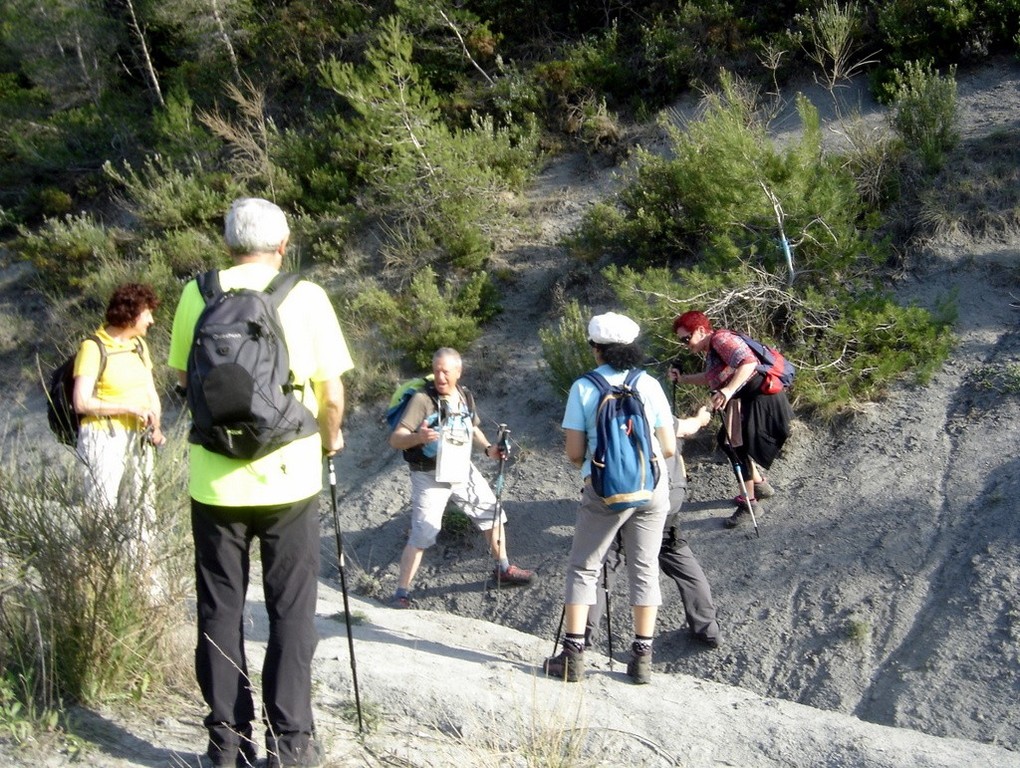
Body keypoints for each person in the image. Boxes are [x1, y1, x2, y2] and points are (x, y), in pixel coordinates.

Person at [168, 198, 352, 768]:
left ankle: (226, 746)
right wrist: (329, 438)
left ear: (227, 243)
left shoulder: (196, 293)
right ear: (283, 241)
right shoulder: (305, 295)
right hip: (289, 480)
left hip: (214, 483)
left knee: (219, 609)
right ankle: (291, 745)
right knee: (291, 611)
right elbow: (333, 394)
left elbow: (181, 376)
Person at [544, 312, 677, 685]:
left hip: (604, 489)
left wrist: (597, 462)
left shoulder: (584, 387)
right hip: (652, 488)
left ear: (596, 349)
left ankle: (572, 655)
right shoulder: (648, 385)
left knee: (584, 567)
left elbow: (573, 453)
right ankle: (642, 658)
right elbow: (667, 447)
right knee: (644, 567)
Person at [387, 347, 535, 608]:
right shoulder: (422, 400)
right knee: (423, 532)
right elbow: (396, 439)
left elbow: (473, 427)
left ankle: (503, 567)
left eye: (445, 371)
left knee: (493, 515)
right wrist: (417, 438)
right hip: (429, 475)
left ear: (458, 371)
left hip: (461, 469)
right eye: (436, 371)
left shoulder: (465, 395)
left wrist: (489, 449)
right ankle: (401, 592)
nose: (440, 377)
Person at [586, 404, 722, 649]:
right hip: (670, 498)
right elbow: (689, 427)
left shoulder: (612, 420)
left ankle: (583, 636)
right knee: (676, 554)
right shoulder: (663, 417)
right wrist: (702, 418)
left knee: (607, 564)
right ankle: (708, 628)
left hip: (632, 497)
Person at [73, 282, 166, 582]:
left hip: (139, 440)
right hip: (103, 438)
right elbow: (81, 402)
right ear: (130, 314)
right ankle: (97, 582)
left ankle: (143, 583)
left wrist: (157, 427)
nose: (151, 320)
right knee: (101, 511)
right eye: (147, 313)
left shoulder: (139, 346)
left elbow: (150, 392)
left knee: (142, 513)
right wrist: (128, 408)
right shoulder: (93, 347)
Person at [670, 311, 793, 529]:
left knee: (734, 445)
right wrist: (683, 380)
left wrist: (727, 391)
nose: (684, 344)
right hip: (750, 398)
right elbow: (711, 378)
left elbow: (748, 362)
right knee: (729, 442)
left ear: (700, 330)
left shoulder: (721, 339)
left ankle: (749, 505)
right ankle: (759, 485)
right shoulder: (713, 350)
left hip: (758, 399)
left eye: (686, 338)